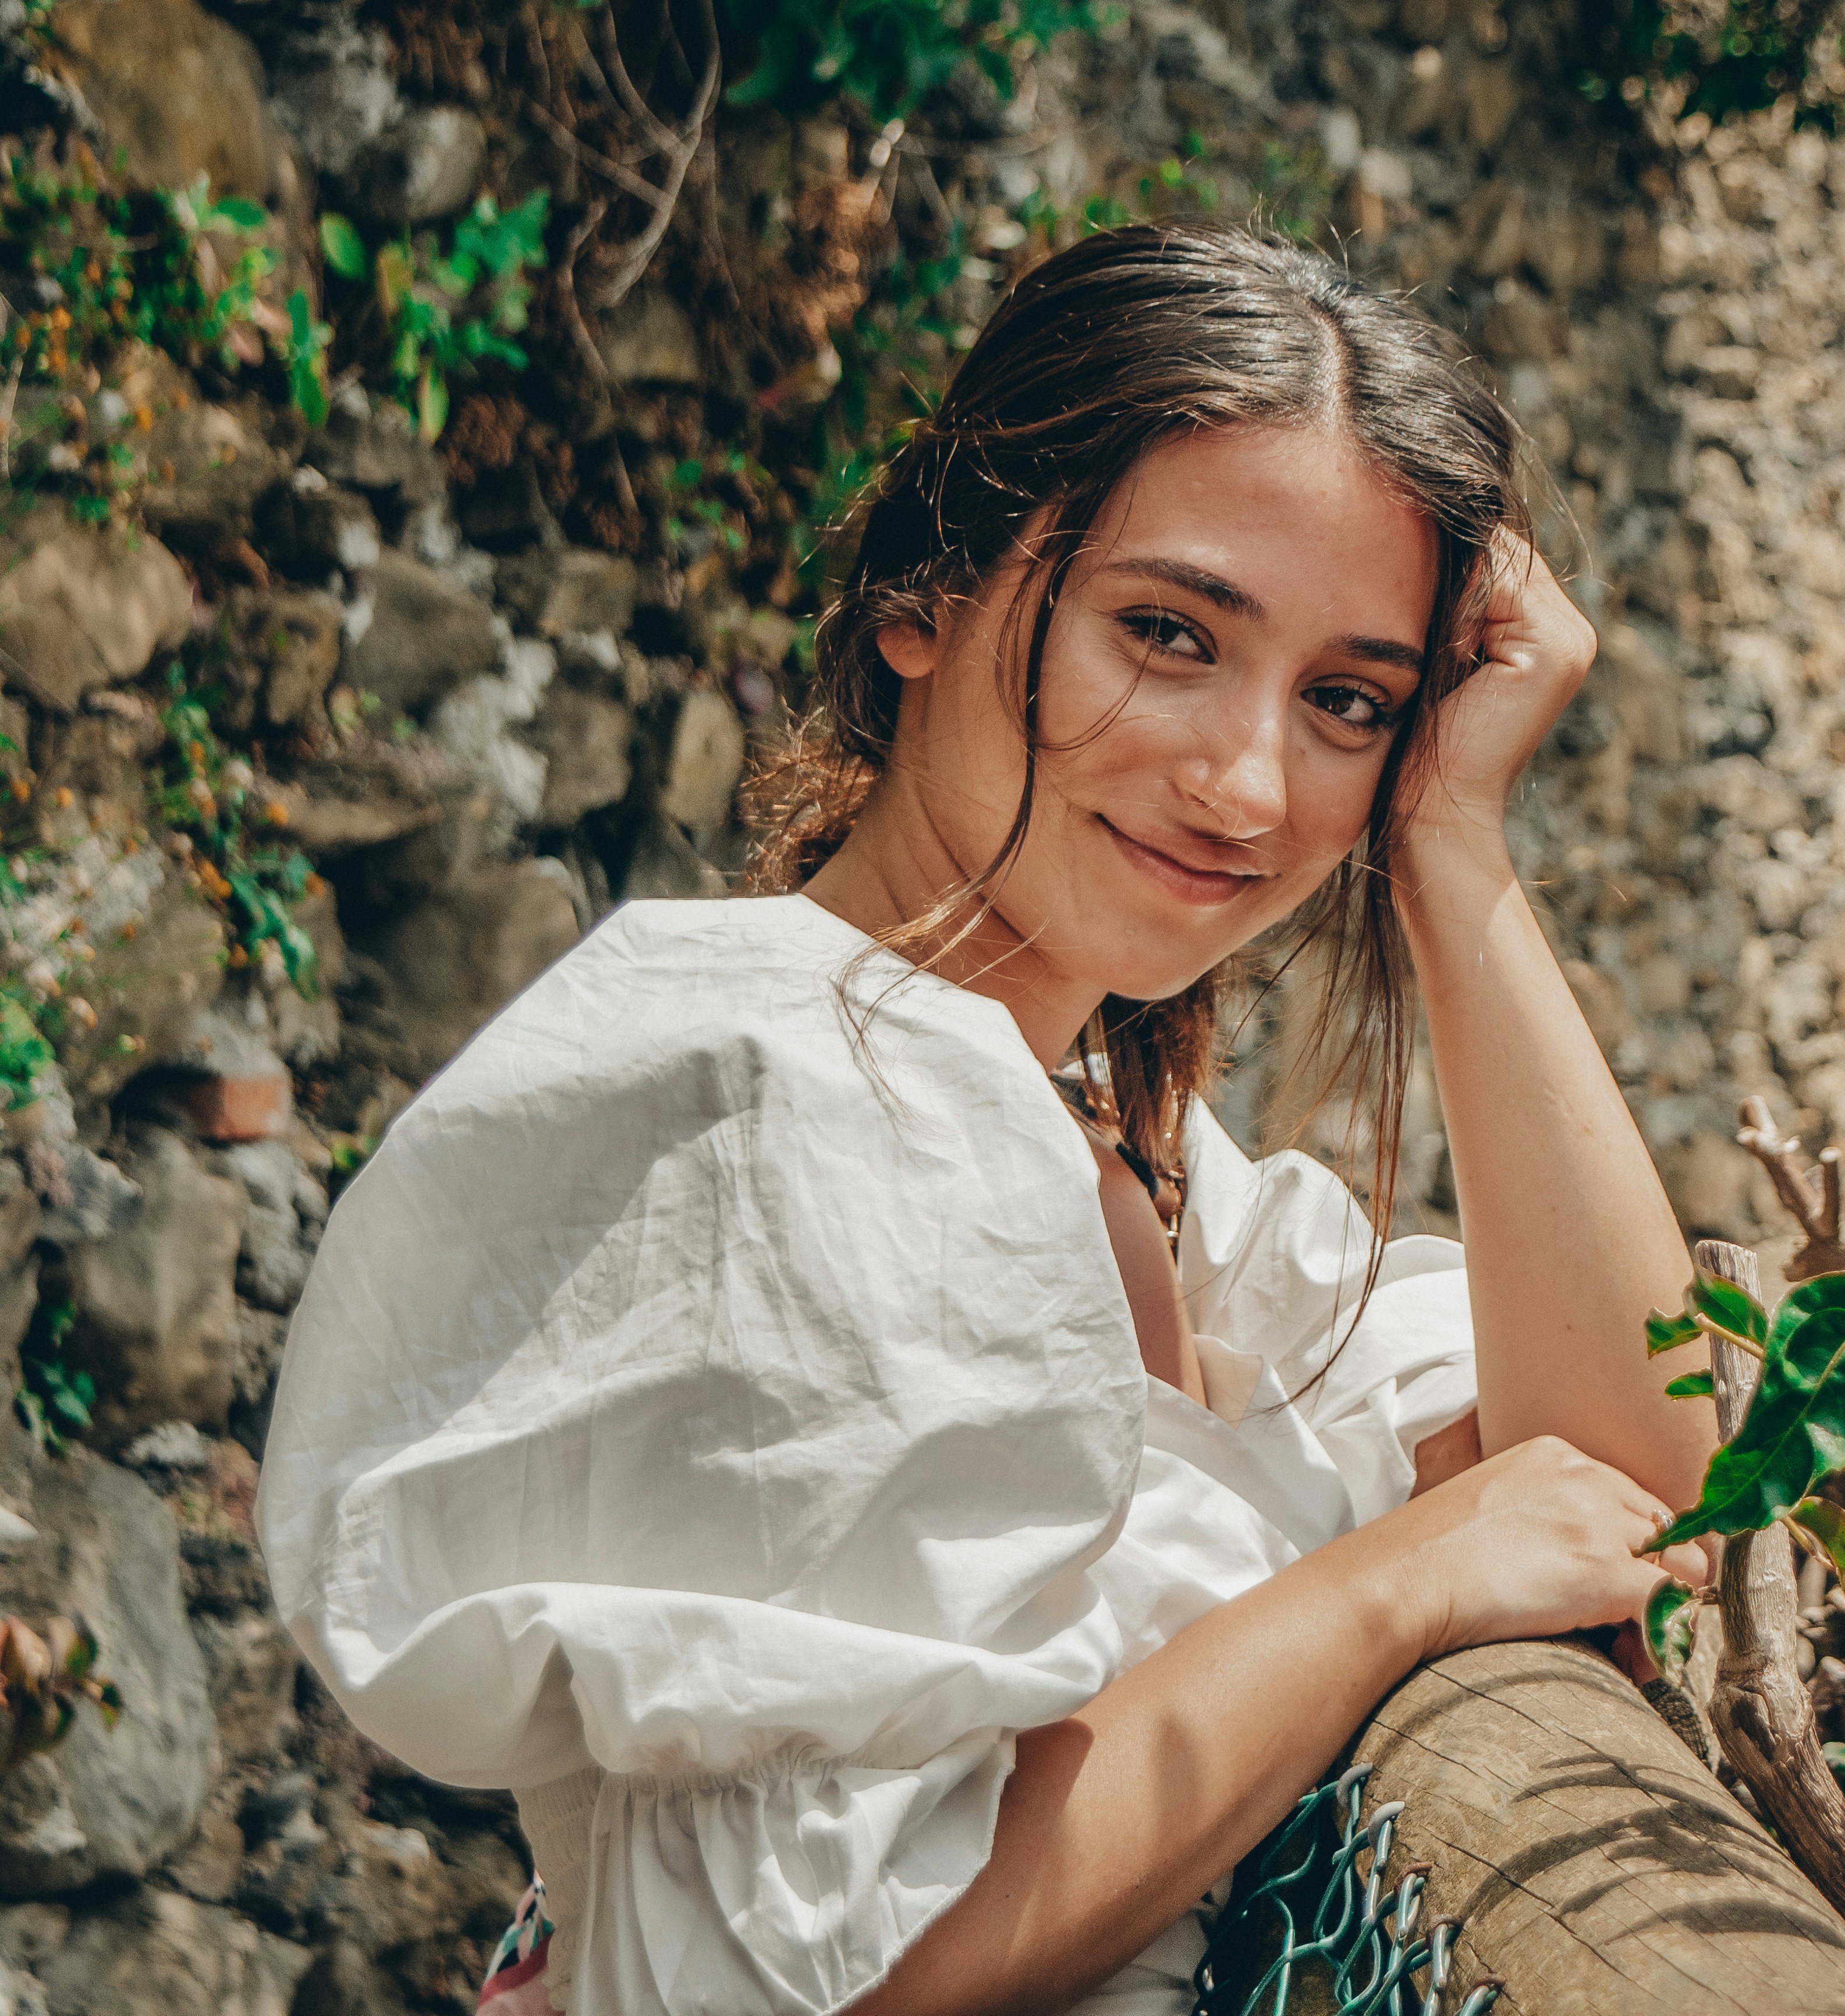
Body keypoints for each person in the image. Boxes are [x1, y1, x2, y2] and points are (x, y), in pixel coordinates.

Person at [256, 221, 1716, 2016]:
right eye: (1167, 634)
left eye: (1349, 701)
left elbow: (1634, 1476)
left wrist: (1450, 841)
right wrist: (1386, 1590)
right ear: (925, 599)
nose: (1249, 780)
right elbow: (843, 1969)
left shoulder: (1131, 1162)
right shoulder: (768, 1107)